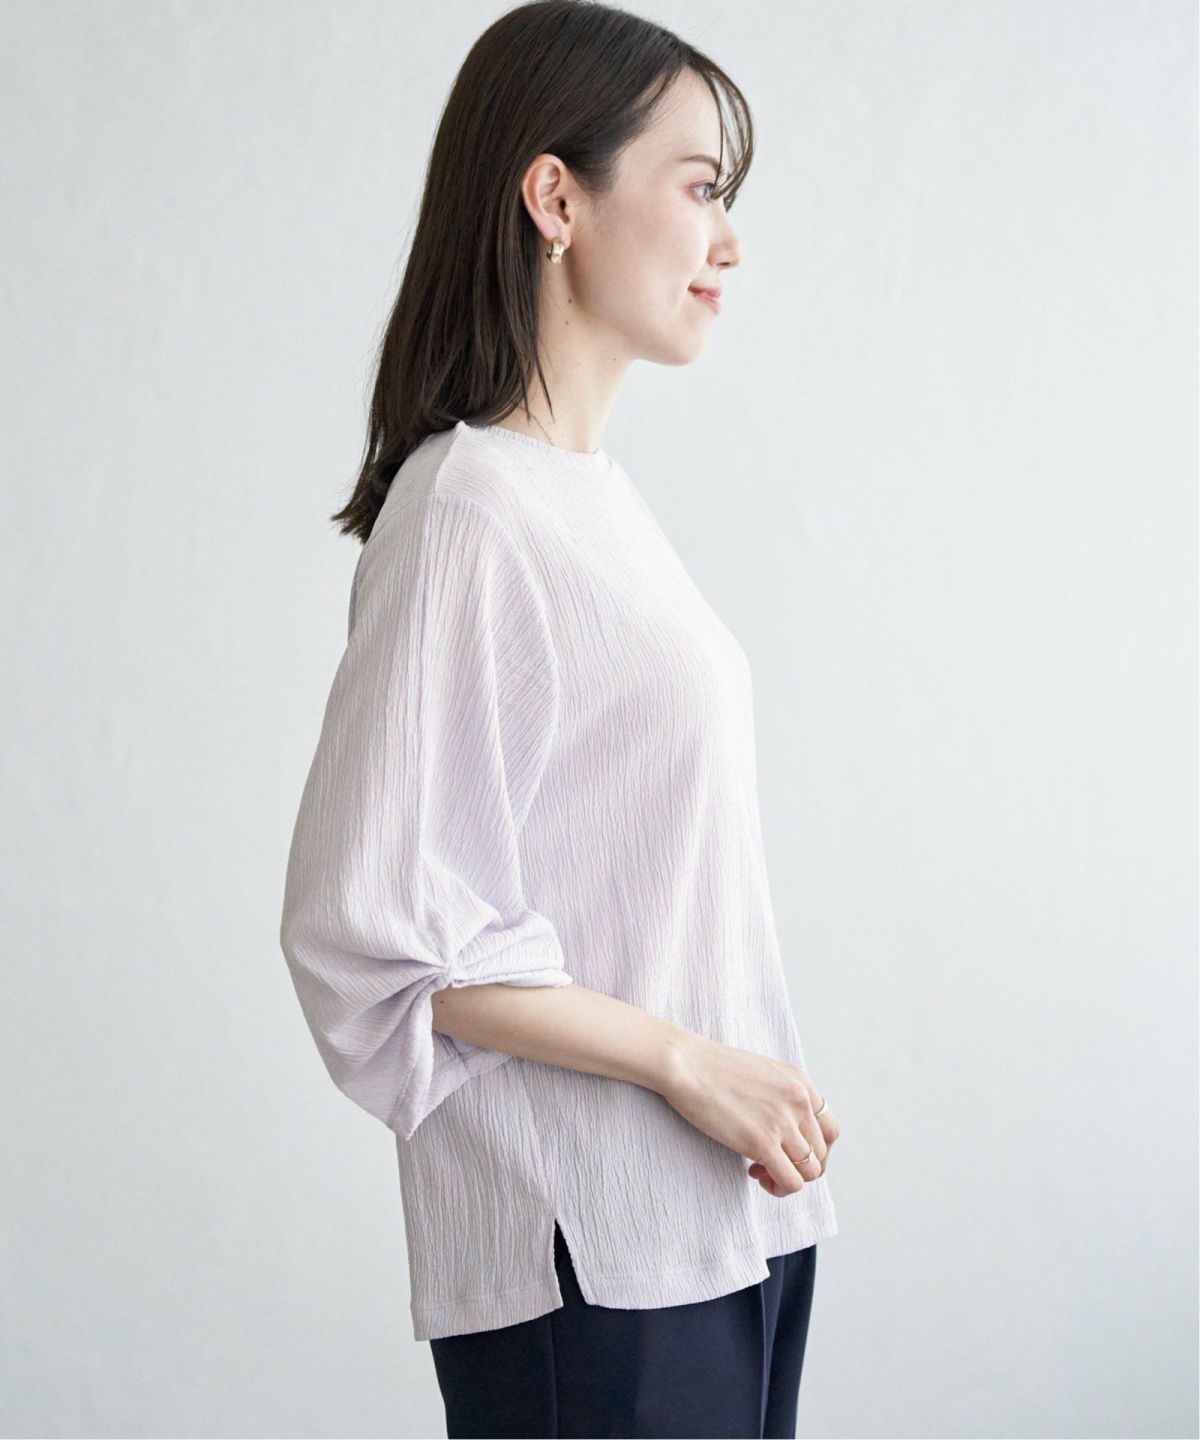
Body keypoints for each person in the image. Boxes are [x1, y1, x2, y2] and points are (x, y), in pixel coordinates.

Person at [279, 2, 843, 1435]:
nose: (728, 241)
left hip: (722, 1221)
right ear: (556, 197)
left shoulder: (590, 503)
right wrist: (683, 1060)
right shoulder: (467, 509)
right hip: (587, 1254)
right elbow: (380, 933)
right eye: (700, 185)